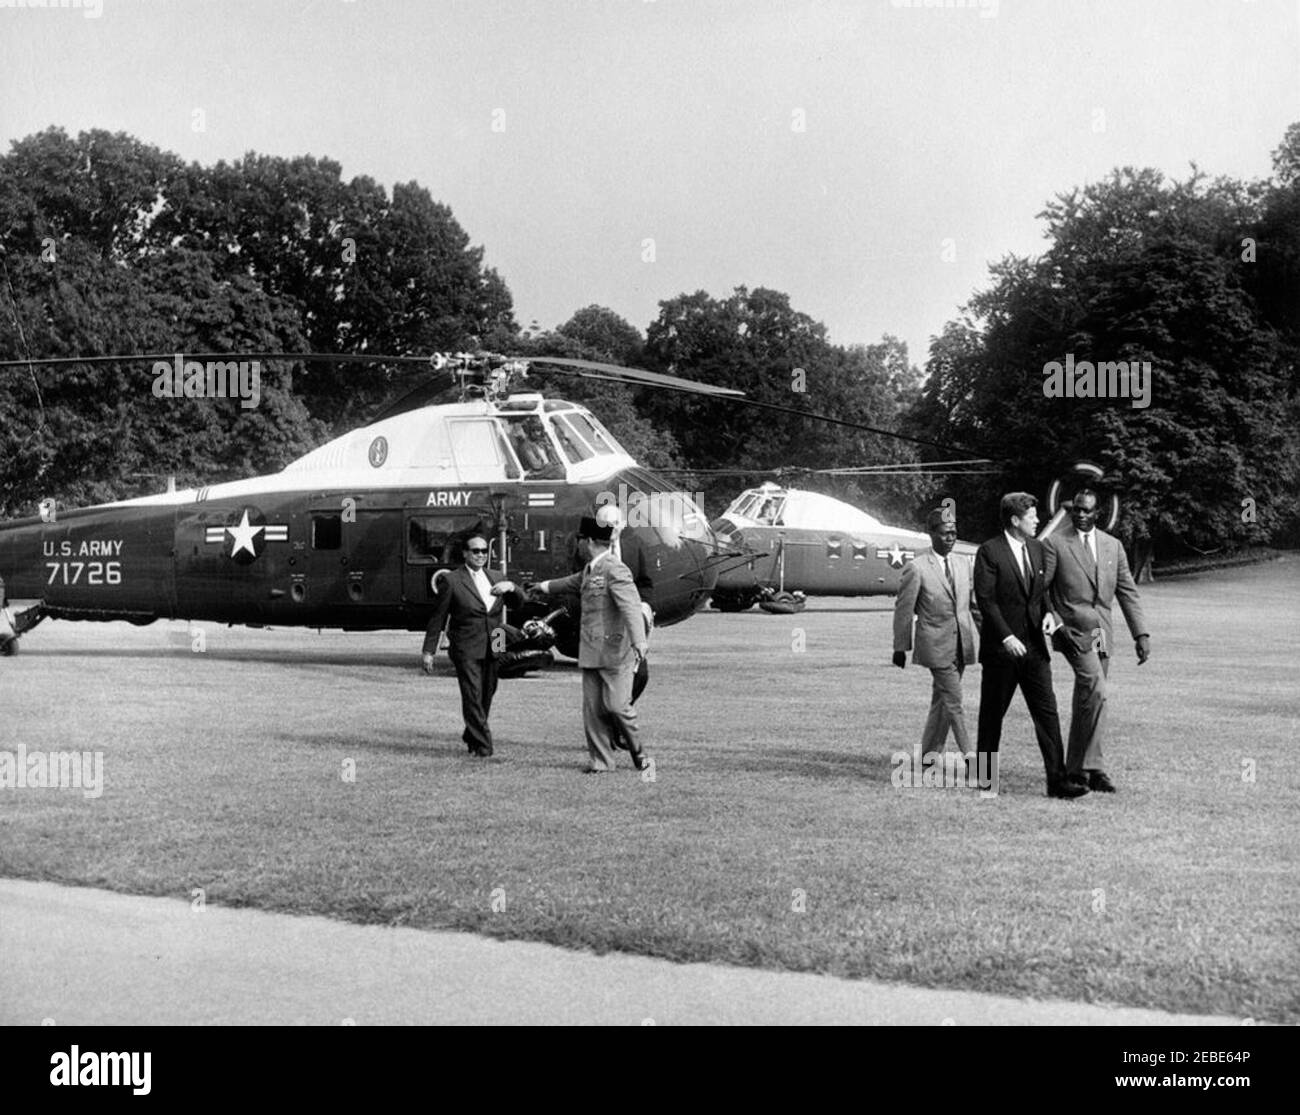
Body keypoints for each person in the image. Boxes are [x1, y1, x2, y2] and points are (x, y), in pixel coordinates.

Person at [973, 492, 1088, 799]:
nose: (1037, 520)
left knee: (1048, 715)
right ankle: (985, 781)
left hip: (1035, 649)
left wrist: (1051, 614)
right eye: (1031, 517)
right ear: (1014, 520)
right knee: (992, 715)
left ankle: (1058, 782)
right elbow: (986, 600)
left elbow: (1040, 594)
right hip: (1002, 651)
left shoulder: (1037, 549)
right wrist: (1006, 637)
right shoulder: (989, 552)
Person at [1041, 489, 1150, 793]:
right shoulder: (1056, 544)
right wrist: (1057, 622)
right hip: (1073, 632)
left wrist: (1141, 634)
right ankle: (1092, 766)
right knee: (1098, 691)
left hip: (1102, 633)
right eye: (1077, 509)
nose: (1081, 515)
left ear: (1097, 513)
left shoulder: (1113, 546)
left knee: (1088, 699)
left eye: (1087, 511)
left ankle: (1080, 769)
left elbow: (1127, 592)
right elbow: (1042, 591)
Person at [531, 516, 651, 774]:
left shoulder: (614, 568)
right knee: (594, 711)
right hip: (590, 651)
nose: (578, 545)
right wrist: (540, 587)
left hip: (616, 652)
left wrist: (639, 641)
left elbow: (630, 606)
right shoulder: (590, 570)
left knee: (618, 707)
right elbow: (568, 583)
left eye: (580, 540)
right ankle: (602, 763)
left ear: (587, 541)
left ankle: (639, 753)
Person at [892, 508, 979, 774]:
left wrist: (994, 638)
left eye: (954, 533)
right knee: (954, 701)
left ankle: (928, 758)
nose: (950, 538)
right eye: (944, 533)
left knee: (941, 701)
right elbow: (904, 609)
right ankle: (972, 761)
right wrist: (900, 647)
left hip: (961, 645)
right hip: (935, 646)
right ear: (932, 534)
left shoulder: (964, 564)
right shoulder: (916, 568)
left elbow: (973, 607)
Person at [421, 531, 522, 758]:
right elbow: (438, 617)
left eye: (484, 551)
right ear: (465, 553)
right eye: (475, 551)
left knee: (488, 693)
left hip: (495, 642)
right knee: (472, 695)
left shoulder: (497, 576)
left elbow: (520, 603)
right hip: (466, 646)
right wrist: (429, 650)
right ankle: (484, 746)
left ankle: (471, 734)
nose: (480, 555)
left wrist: (512, 588)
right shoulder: (452, 580)